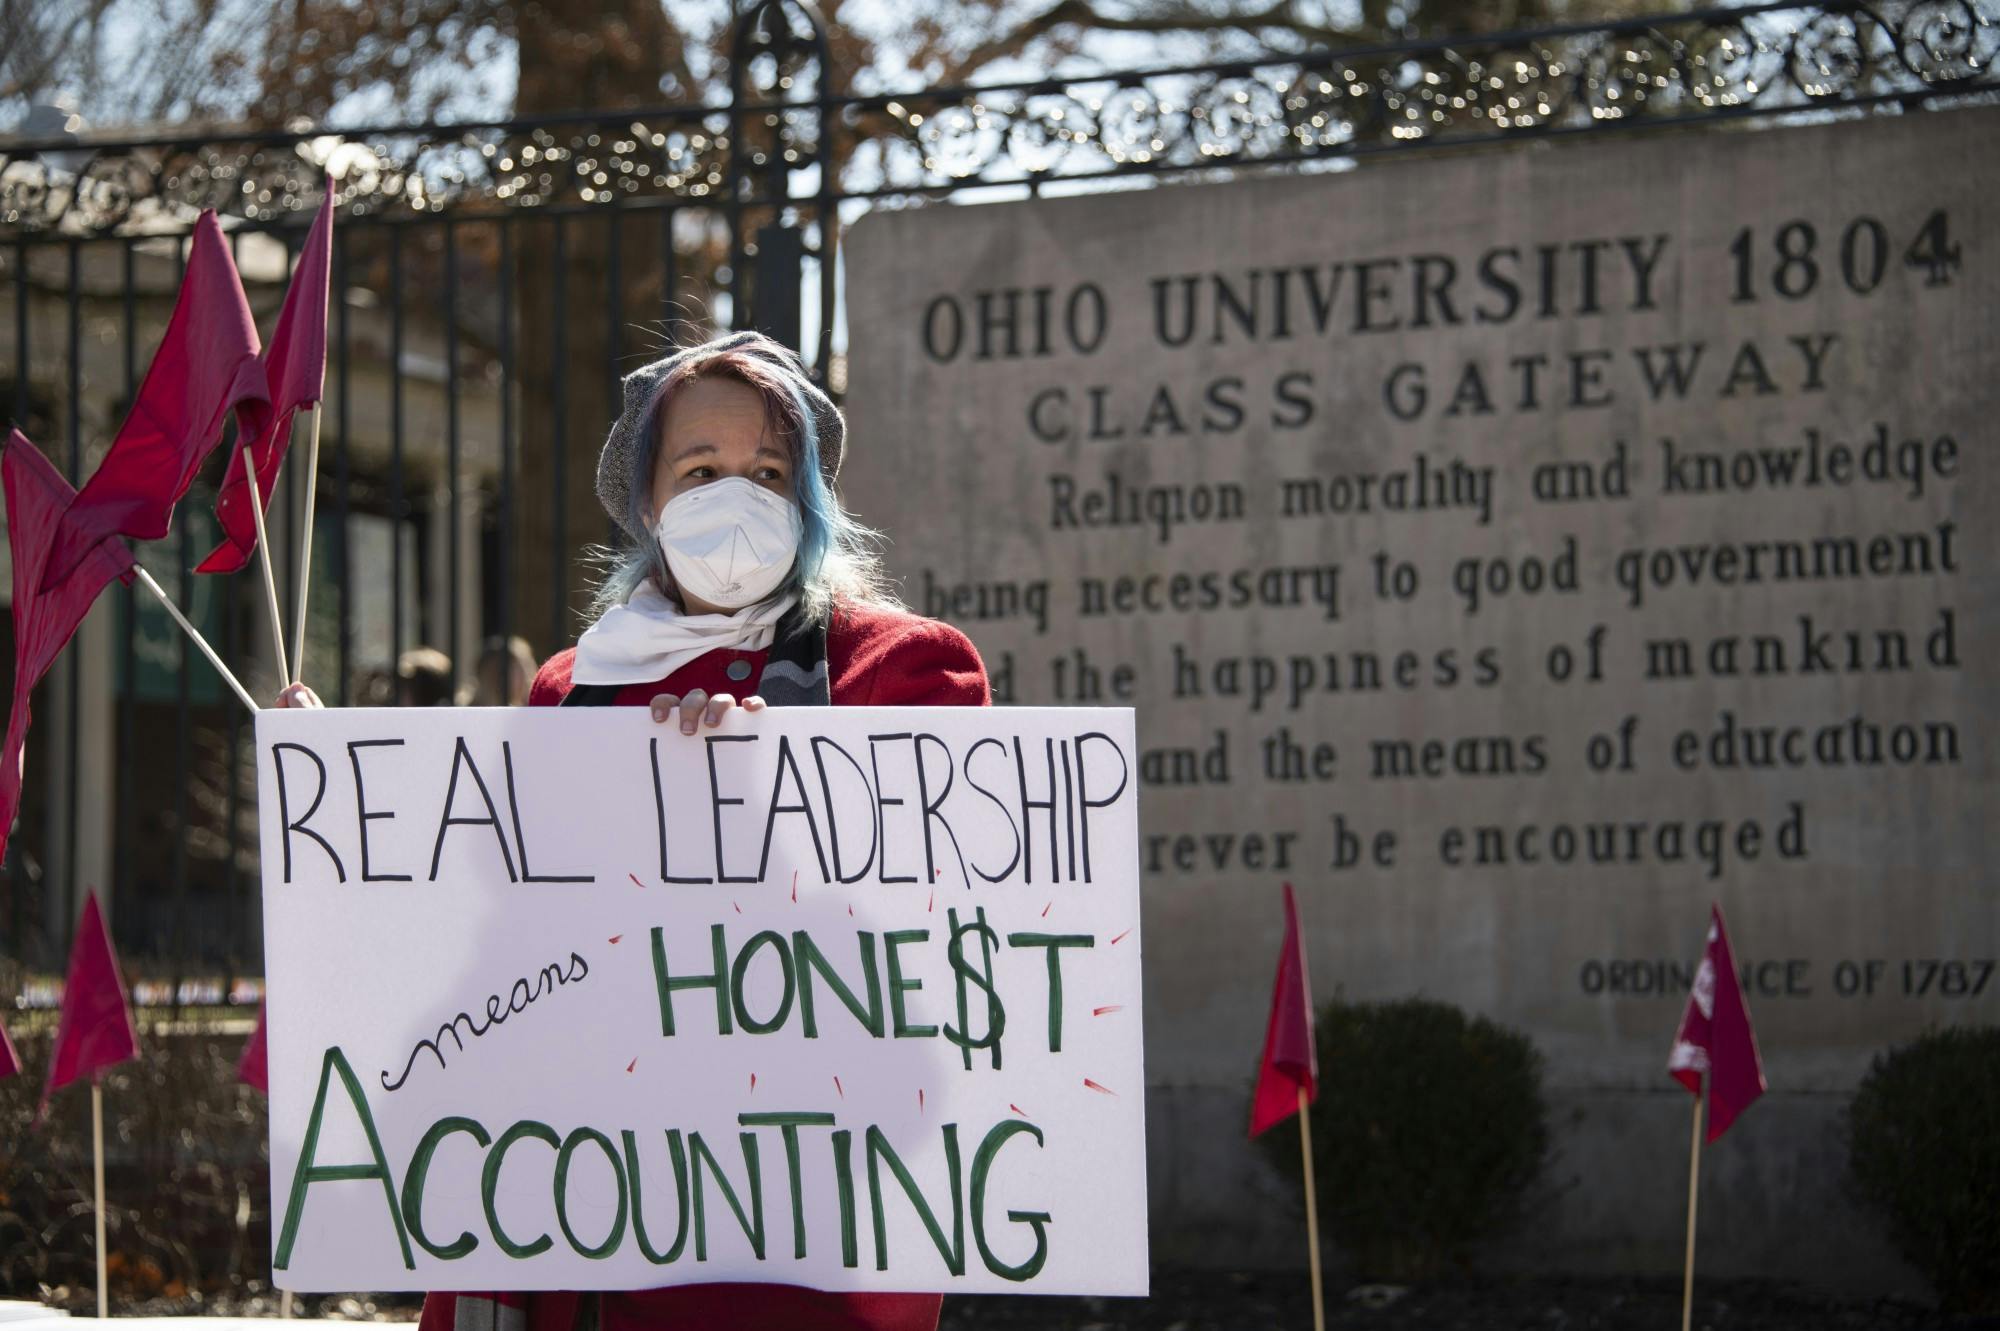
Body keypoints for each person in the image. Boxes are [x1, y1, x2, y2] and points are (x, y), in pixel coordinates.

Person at [282, 328, 986, 1331]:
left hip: (788, 1219)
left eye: (769, 470)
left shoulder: (901, 667)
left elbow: (939, 915)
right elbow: (494, 928)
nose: (734, 493)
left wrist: (780, 776)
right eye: (700, 467)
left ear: (809, 500)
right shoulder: (572, 686)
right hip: (585, 1205)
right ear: (649, 500)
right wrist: (352, 817)